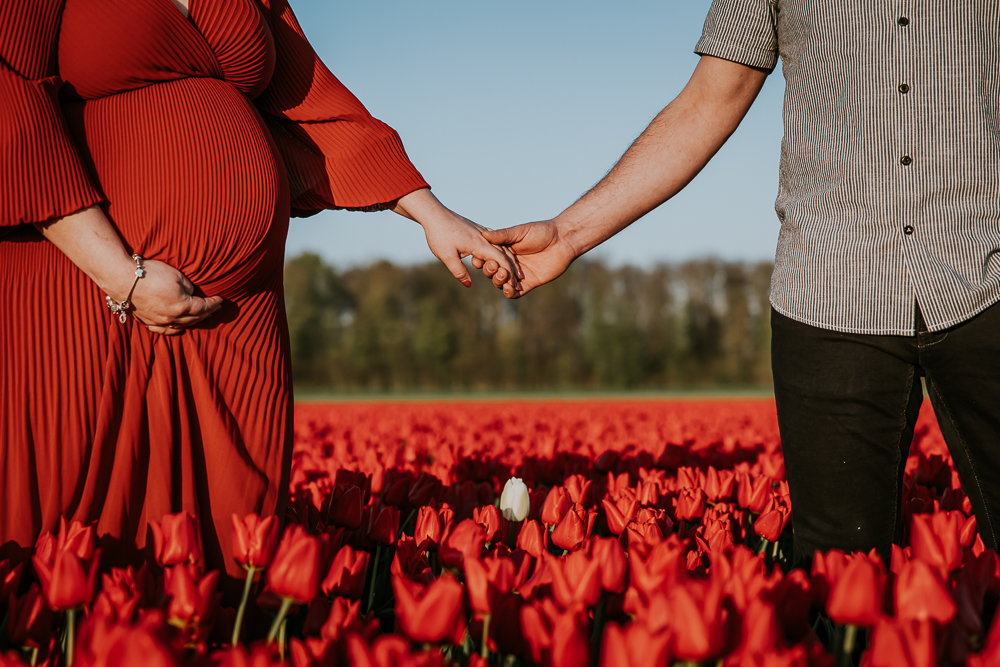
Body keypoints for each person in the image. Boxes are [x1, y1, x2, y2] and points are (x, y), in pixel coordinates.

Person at [0, 0, 517, 575]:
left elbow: (314, 103)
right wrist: (121, 274)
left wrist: (431, 213)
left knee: (231, 526)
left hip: (240, 316)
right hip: (89, 283)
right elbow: (7, 91)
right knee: (87, 522)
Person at [478, 1, 1000, 563]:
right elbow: (710, 99)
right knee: (840, 577)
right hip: (830, 289)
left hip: (986, 273)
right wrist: (567, 235)